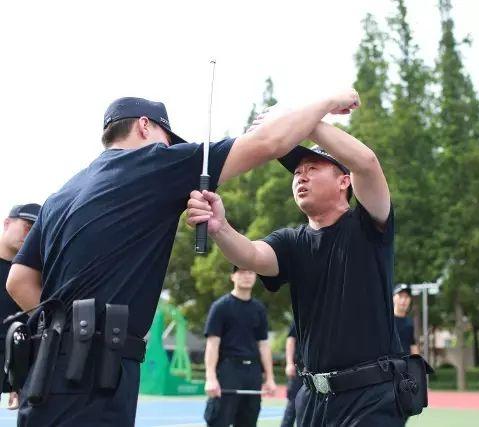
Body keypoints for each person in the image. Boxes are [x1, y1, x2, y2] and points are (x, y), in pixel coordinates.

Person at [6, 90, 360, 426]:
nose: (170, 148)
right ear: (145, 125)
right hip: (96, 370)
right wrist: (328, 101)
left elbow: (19, 281)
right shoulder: (154, 164)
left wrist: (65, 331)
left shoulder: (60, 195)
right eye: (166, 138)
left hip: (44, 369)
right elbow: (268, 143)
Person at [187, 119, 408, 426]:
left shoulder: (369, 224)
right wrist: (220, 227)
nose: (300, 176)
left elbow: (367, 163)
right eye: (297, 172)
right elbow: (251, 253)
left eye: (312, 168)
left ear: (345, 181)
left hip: (371, 397)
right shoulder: (292, 241)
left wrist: (305, 122)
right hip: (314, 398)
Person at [203, 266, 276, 427]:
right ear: (232, 277)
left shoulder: (259, 309)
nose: (247, 276)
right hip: (228, 369)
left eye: (251, 272)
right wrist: (210, 378)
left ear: (255, 277)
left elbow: (264, 345)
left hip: (253, 372)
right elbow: (212, 344)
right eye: (242, 272)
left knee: (249, 421)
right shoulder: (220, 307)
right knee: (219, 420)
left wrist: (270, 378)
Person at [0, 204, 40, 409]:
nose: (31, 234)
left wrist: (17, 378)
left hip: (19, 370)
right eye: (27, 226)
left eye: (36, 230)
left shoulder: (33, 276)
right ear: (7, 223)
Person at [280, 321, 303, 427]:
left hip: (316, 371)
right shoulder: (301, 315)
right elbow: (291, 340)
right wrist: (289, 363)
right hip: (299, 369)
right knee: (293, 406)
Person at [393, 284, 418, 355]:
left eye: (406, 297)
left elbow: (412, 344)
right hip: (390, 363)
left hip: (406, 363)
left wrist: (418, 363)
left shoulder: (409, 321)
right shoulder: (387, 321)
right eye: (400, 296)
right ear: (393, 298)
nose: (403, 300)